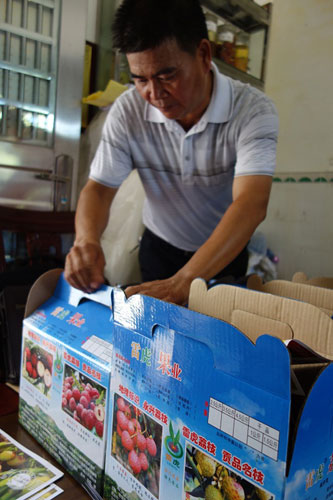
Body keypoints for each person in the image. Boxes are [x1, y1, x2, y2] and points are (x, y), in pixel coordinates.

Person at [65, 0, 278, 305]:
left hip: (223, 254)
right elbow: (99, 188)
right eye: (140, 79)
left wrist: (187, 280)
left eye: (167, 76)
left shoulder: (252, 110)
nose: (154, 94)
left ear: (204, 55)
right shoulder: (128, 111)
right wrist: (86, 241)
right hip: (160, 247)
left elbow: (252, 202)